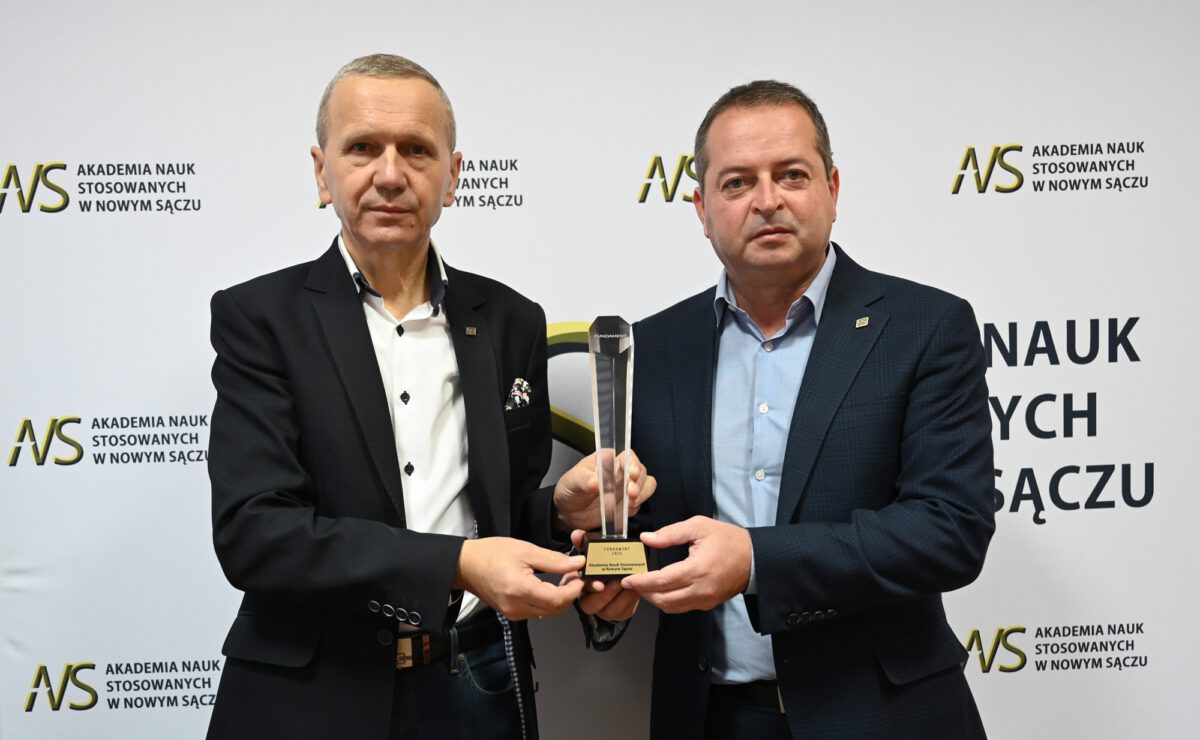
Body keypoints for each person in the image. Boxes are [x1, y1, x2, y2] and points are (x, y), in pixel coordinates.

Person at [205, 54, 652, 740]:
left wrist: (561, 513)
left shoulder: (510, 320)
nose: (390, 174)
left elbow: (498, 519)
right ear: (322, 172)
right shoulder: (261, 318)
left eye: (417, 150)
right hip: (314, 695)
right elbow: (255, 535)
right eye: (362, 148)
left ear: (453, 175)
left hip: (477, 684)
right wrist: (458, 565)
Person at [579, 80, 995, 739]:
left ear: (832, 188)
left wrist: (755, 561)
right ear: (702, 208)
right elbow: (656, 530)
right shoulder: (653, 348)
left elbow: (949, 531)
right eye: (737, 182)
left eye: (791, 175)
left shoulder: (925, 327)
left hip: (884, 717)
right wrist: (613, 582)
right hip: (712, 720)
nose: (767, 200)